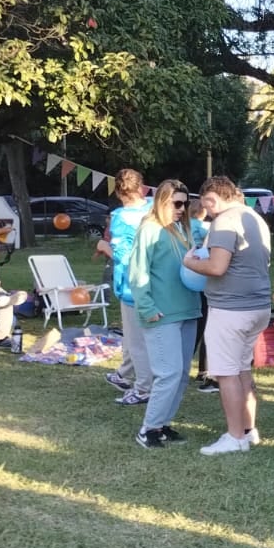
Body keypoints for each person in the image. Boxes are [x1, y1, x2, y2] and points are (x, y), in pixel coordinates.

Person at [182, 176, 272, 456]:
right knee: (242, 368)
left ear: (212, 198)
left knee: (226, 373)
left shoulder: (223, 221)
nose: (206, 210)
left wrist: (190, 262)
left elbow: (218, 266)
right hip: (258, 306)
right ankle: (249, 430)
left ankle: (234, 437)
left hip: (231, 310)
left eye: (206, 204)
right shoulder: (255, 218)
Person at [127, 180, 201, 449]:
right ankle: (148, 429)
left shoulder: (183, 229)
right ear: (161, 201)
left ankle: (162, 424)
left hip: (187, 310)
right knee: (168, 373)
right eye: (176, 203)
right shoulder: (149, 229)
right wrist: (147, 308)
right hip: (161, 314)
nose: (182, 209)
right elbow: (137, 272)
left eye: (185, 203)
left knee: (181, 374)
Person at [106, 170, 153, 406]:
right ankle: (125, 376)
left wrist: (105, 248)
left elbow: (122, 257)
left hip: (133, 285)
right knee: (154, 336)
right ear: (142, 187)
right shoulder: (156, 208)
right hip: (160, 280)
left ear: (117, 191)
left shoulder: (120, 218)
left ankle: (143, 388)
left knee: (136, 340)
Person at [187, 202, 217, 392]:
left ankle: (190, 365)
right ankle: (205, 371)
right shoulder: (207, 228)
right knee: (207, 326)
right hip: (202, 276)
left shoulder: (185, 226)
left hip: (192, 274)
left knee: (199, 324)